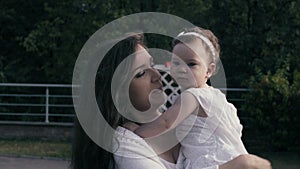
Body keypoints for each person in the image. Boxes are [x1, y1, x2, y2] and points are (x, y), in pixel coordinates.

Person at [71, 33, 272, 169]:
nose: (157, 75)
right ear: (117, 93)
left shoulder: (185, 115)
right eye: (141, 73)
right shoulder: (125, 142)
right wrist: (234, 165)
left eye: (152, 65)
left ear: (209, 70)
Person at [132, 27, 254, 169]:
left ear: (209, 70)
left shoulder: (192, 96)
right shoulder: (217, 98)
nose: (182, 69)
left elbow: (166, 123)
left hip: (211, 161)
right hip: (230, 156)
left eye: (191, 64)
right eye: (177, 63)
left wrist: (136, 133)